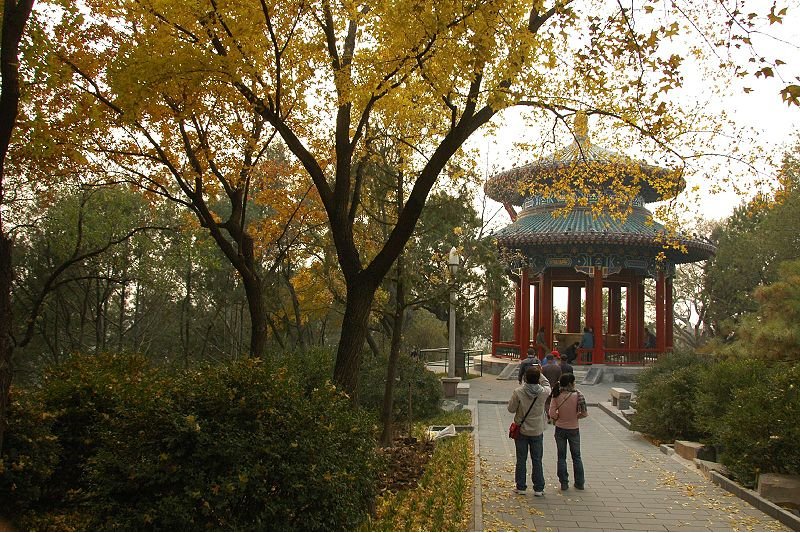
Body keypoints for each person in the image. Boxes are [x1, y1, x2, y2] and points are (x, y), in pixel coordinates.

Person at [508, 366, 551, 496]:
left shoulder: (518, 392)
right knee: (537, 459)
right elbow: (547, 384)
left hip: (521, 429)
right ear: (538, 378)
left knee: (521, 459)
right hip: (537, 429)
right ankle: (538, 488)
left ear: (525, 378)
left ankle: (521, 486)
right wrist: (540, 373)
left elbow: (511, 409)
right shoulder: (543, 392)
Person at [548, 373, 588, 491]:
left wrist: (558, 417)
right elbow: (584, 413)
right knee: (576, 456)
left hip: (560, 428)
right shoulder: (578, 395)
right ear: (571, 383)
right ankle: (579, 482)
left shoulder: (556, 395)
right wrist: (576, 417)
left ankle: (564, 482)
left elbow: (551, 413)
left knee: (561, 457)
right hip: (574, 428)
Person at [541, 352, 562, 423]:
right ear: (553, 359)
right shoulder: (558, 368)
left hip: (546, 386)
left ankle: (548, 416)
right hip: (555, 386)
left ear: (546, 359)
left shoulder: (543, 368)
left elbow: (541, 379)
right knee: (555, 402)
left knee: (547, 402)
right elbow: (560, 379)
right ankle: (554, 416)